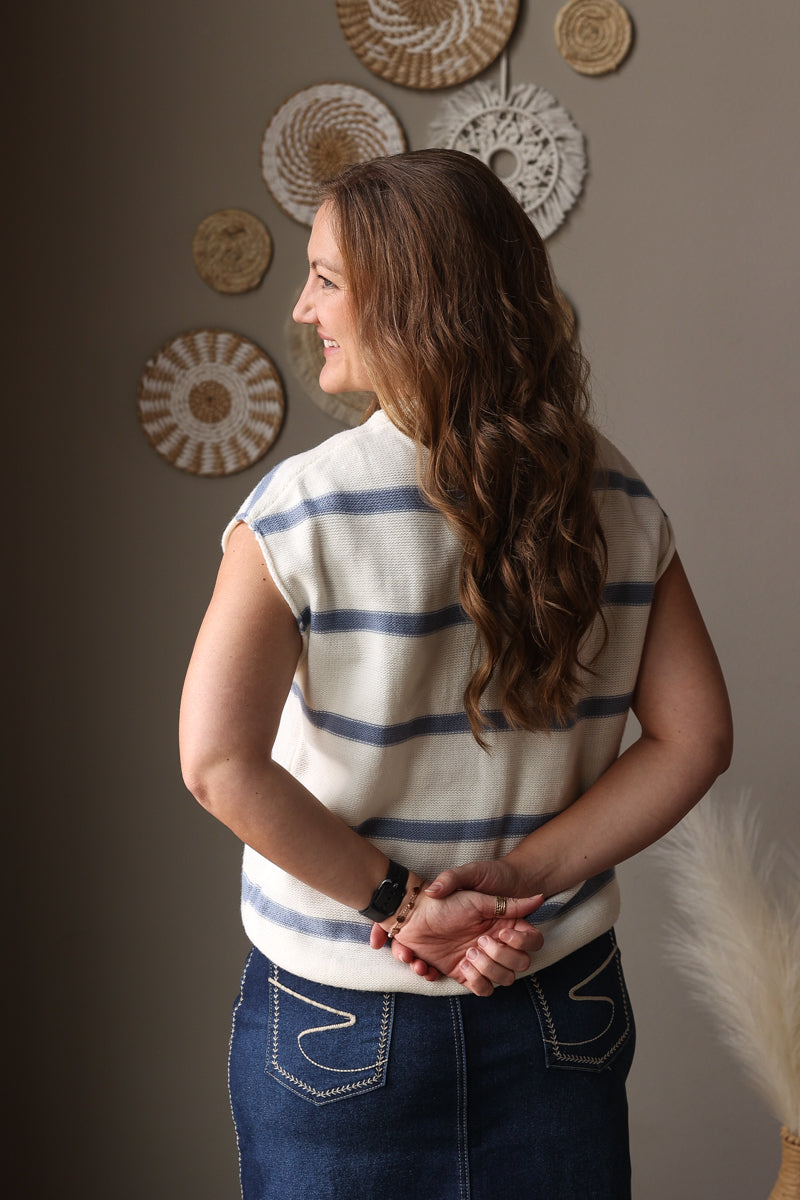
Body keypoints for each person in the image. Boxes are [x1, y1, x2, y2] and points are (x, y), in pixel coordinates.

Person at [179, 149, 732, 1199]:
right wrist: (515, 883)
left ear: (411, 299)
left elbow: (215, 762)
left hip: (342, 1017)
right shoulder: (615, 496)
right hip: (556, 995)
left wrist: (396, 903)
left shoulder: (300, 509)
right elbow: (695, 739)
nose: (302, 307)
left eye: (327, 278)